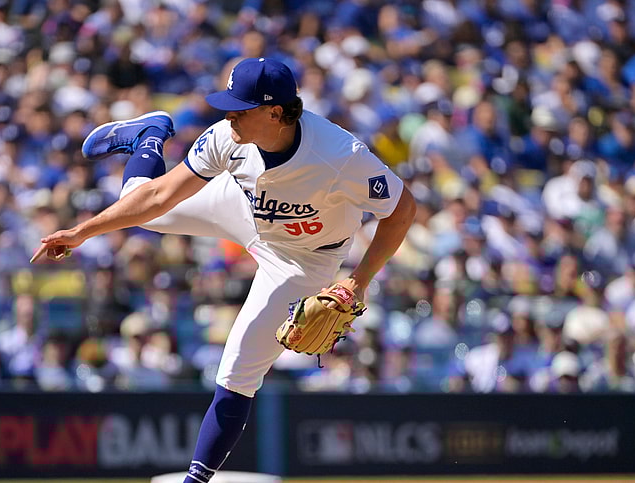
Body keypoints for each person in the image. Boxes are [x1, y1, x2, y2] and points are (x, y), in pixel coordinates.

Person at [32, 57, 416, 483]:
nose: (228, 114)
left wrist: (358, 281)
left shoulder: (340, 156)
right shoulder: (226, 137)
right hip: (241, 208)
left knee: (238, 370)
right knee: (138, 203)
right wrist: (84, 231)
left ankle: (196, 481)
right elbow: (159, 195)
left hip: (306, 258)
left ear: (275, 112)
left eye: (240, 108)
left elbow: (402, 210)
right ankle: (149, 135)